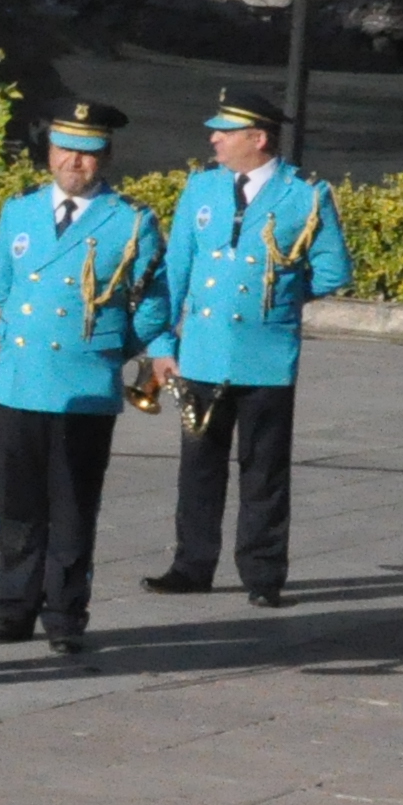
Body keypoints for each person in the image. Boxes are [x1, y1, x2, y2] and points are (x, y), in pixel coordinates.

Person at [147, 86, 350, 609]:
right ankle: (192, 565)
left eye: (225, 131)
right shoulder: (201, 188)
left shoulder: (305, 193)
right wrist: (162, 343)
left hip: (265, 355)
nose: (213, 139)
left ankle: (262, 573)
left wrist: (281, 298)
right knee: (199, 465)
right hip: (203, 352)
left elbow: (333, 268)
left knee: (263, 470)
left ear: (257, 138)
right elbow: (175, 273)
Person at [0, 97, 166, 657]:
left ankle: (64, 614)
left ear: (105, 157)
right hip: (19, 379)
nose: (73, 163)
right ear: (49, 152)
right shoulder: (20, 210)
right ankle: (12, 608)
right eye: (64, 150)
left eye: (86, 153)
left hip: (83, 382)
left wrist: (109, 347)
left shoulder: (132, 220)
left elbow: (153, 302)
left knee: (72, 507)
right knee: (16, 504)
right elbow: (5, 286)